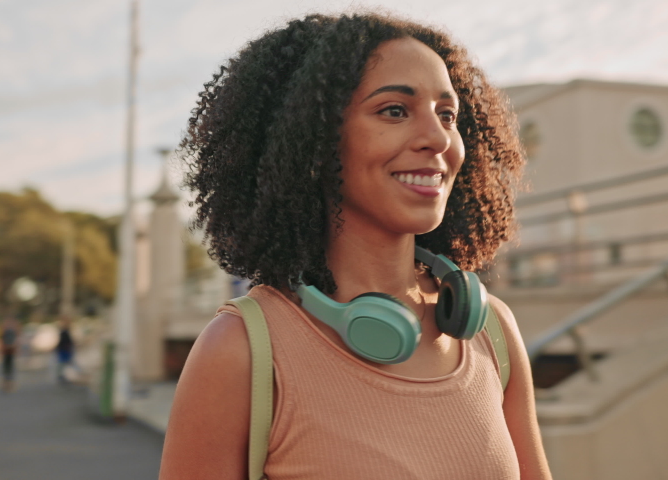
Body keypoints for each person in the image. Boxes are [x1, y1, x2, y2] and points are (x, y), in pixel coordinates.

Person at [159, 12, 552, 480]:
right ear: (313, 140)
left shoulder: (493, 330)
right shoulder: (239, 351)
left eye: (448, 114)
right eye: (394, 110)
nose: (438, 138)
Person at [0, 318, 19, 392]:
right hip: (6, 351)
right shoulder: (5, 332)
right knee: (6, 369)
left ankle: (10, 384)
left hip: (10, 351)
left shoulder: (12, 331)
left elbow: (16, 340)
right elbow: (2, 341)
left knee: (10, 368)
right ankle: (6, 384)